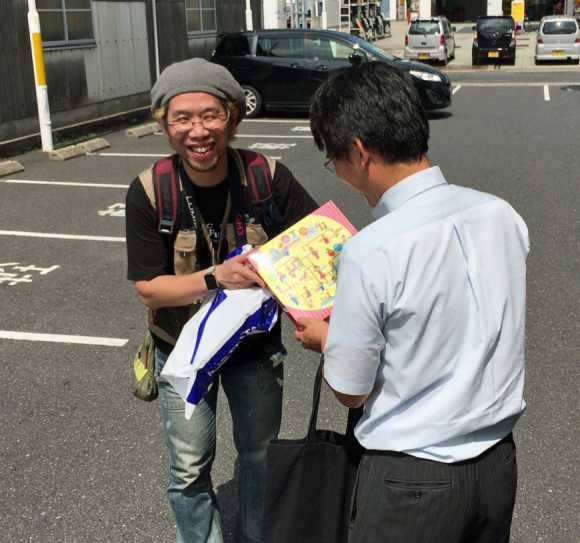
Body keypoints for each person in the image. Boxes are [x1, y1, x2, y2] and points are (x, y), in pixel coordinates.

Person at [295, 62, 529, 543]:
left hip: (411, 479)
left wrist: (326, 340)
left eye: (333, 159)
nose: (338, 172)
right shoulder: (501, 213)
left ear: (359, 151)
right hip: (497, 464)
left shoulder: (371, 250)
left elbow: (351, 391)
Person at [125, 58, 317, 543]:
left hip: (255, 352)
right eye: (182, 118)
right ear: (164, 125)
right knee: (189, 468)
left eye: (211, 115)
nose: (198, 131)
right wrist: (217, 277)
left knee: (260, 458)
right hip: (182, 351)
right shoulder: (150, 191)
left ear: (232, 118)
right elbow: (149, 288)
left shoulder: (266, 177)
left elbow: (320, 244)